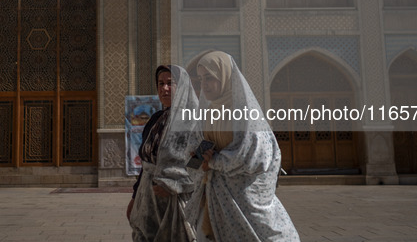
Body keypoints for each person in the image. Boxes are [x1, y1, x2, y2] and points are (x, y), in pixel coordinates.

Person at [185, 51, 300, 242]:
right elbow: (198, 144)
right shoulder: (207, 112)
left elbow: (257, 155)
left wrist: (215, 161)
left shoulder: (244, 113)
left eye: (210, 78)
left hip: (243, 199)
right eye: (200, 79)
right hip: (214, 196)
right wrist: (197, 159)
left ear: (225, 76)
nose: (204, 84)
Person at [127, 65, 198, 242]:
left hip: (178, 202)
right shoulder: (155, 120)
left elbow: (198, 162)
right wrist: (136, 197)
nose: (164, 89)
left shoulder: (194, 120)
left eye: (169, 83)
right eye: (160, 84)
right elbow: (146, 164)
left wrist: (175, 185)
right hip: (148, 201)